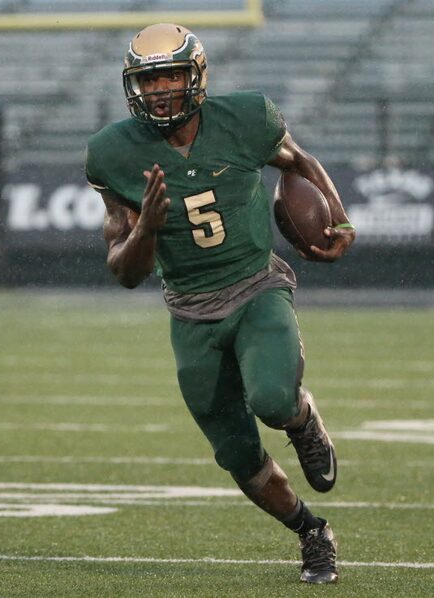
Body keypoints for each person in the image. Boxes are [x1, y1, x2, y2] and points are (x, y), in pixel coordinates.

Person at [85, 24, 356, 584]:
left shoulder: (247, 117)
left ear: (196, 75)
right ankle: (312, 533)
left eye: (169, 75)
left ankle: (302, 420)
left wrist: (336, 215)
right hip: (189, 310)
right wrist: (147, 232)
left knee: (272, 398)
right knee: (237, 455)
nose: (159, 89)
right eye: (148, 79)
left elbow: (298, 162)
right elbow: (124, 272)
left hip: (255, 286)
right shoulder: (112, 153)